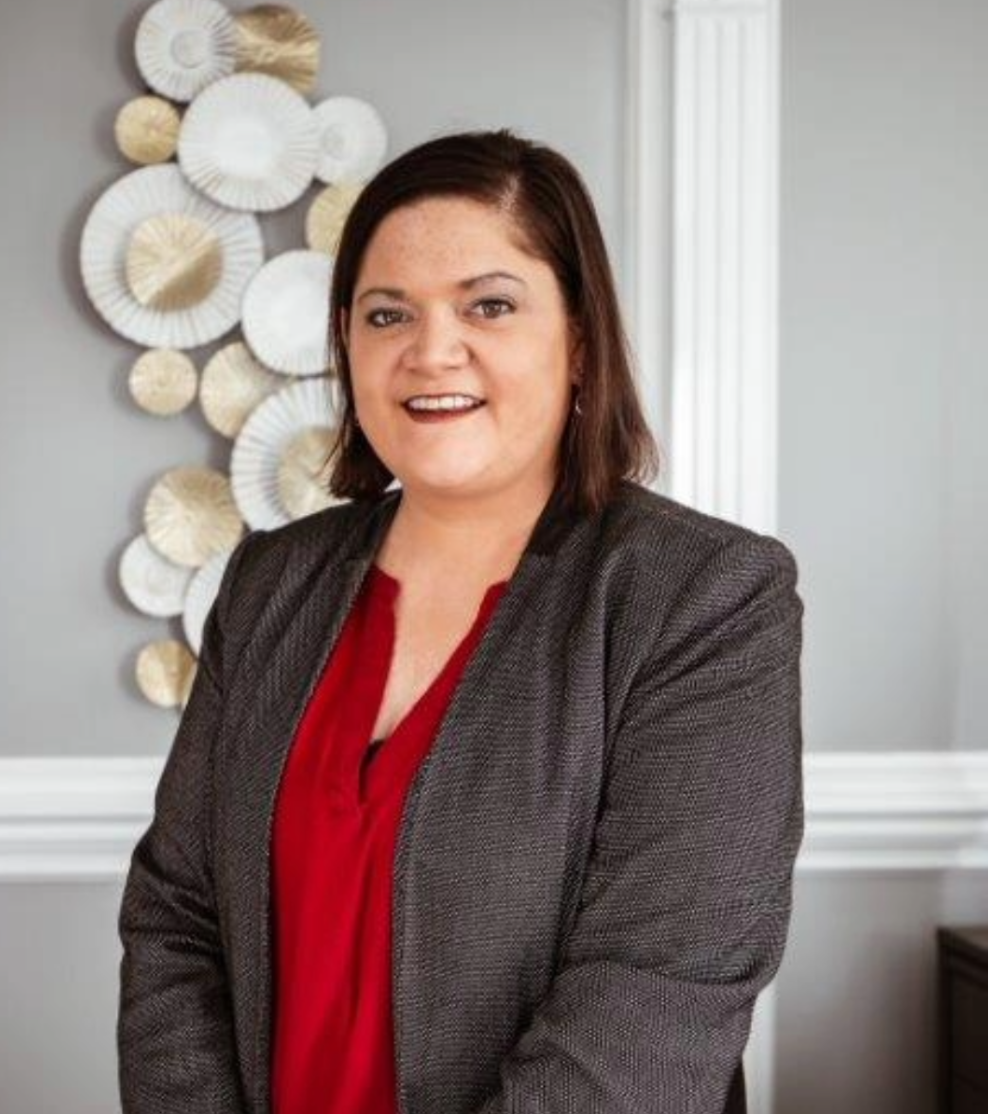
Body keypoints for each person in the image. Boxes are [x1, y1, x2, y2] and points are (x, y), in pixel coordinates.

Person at [117, 129, 804, 1114]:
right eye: (387, 313)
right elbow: (177, 916)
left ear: (578, 340)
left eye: (490, 304)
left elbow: (659, 985)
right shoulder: (270, 584)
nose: (430, 351)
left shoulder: (702, 596)